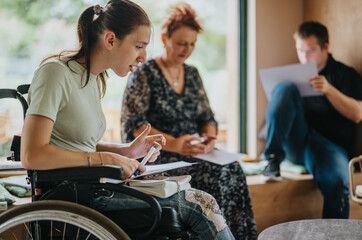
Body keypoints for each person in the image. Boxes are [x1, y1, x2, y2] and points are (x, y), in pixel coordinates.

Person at [20, 1, 235, 239]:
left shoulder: (92, 79)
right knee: (200, 205)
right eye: (139, 46)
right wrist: (105, 158)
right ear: (111, 40)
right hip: (75, 194)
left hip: (92, 185)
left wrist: (127, 151)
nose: (143, 57)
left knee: (199, 201)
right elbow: (32, 155)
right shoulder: (55, 73)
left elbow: (76, 145)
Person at [121, 3, 257, 239]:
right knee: (213, 174)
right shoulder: (144, 72)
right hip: (157, 154)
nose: (187, 49)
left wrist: (209, 139)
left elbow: (208, 117)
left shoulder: (192, 73)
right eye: (181, 43)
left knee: (234, 168)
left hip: (194, 151)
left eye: (192, 44)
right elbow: (134, 125)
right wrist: (174, 143)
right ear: (165, 38)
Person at [261, 21, 362, 218]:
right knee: (284, 88)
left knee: (337, 182)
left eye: (309, 51)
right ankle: (272, 159)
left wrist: (328, 90)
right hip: (298, 142)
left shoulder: (344, 74)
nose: (304, 57)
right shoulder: (296, 75)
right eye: (300, 51)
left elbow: (357, 114)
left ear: (325, 47)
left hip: (329, 146)